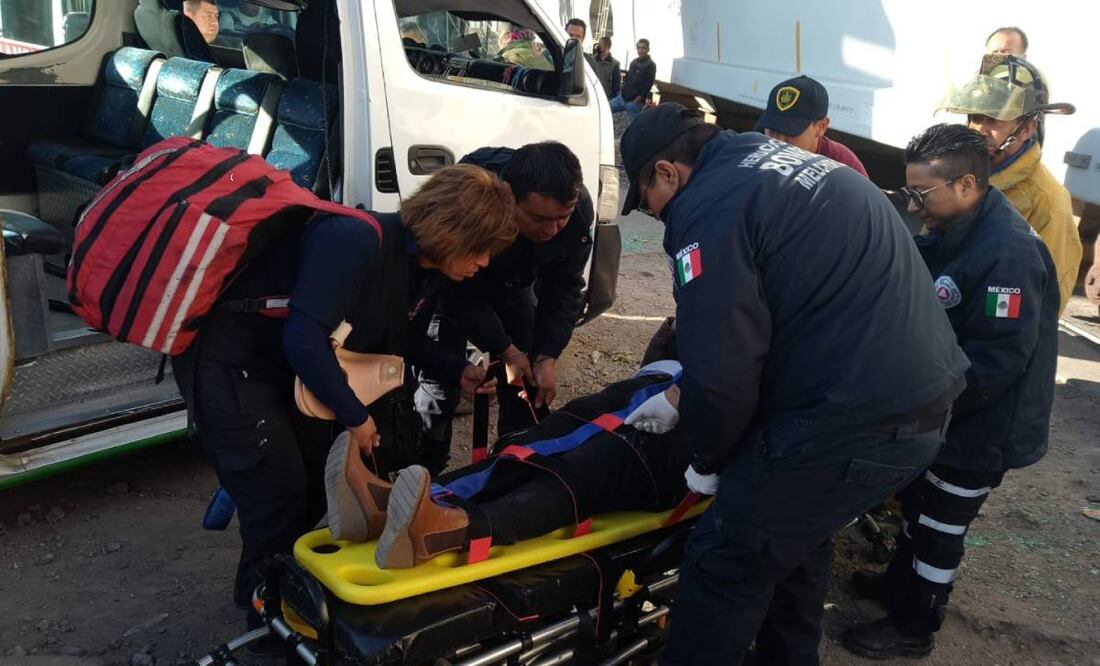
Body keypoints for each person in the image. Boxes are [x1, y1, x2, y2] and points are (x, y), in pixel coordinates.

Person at [617, 103, 970, 664]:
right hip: (921, 404)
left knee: (726, 558)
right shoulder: (784, 162)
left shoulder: (709, 208)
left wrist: (708, 460)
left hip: (852, 423)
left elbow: (725, 374)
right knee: (795, 540)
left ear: (666, 172)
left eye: (651, 203)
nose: (657, 217)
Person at [171, 165, 515, 629]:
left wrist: (458, 371)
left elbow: (399, 334)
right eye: (483, 249)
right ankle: (266, 621)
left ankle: (279, 599)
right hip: (231, 365)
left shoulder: (418, 268)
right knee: (279, 496)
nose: (486, 263)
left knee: (315, 490)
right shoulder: (353, 241)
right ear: (453, 230)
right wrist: (357, 417)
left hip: (285, 371)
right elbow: (303, 340)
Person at [843, 124, 1058, 658]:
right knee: (919, 500)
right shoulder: (956, 225)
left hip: (984, 423)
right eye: (909, 193)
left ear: (965, 184)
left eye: (921, 194)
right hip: (948, 409)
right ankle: (900, 586)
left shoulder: (1007, 254)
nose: (914, 206)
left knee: (941, 523)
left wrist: (923, 407)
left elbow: (998, 359)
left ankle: (916, 624)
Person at [325, 360, 690, 567]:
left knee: (593, 466)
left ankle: (451, 529)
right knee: (535, 443)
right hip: (670, 380)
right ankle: (384, 509)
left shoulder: (724, 239)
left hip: (708, 423)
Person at [414, 142, 594, 475]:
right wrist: (505, 349)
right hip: (453, 283)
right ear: (508, 198)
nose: (552, 230)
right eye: (539, 219)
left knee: (528, 382)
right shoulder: (471, 205)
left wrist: (546, 355)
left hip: (515, 283)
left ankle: (515, 462)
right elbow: (456, 295)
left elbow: (565, 287)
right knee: (441, 382)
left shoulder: (576, 211)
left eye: (561, 219)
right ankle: (426, 471)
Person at [940, 53, 1079, 314]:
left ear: (1027, 129)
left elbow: (1048, 301)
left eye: (993, 120)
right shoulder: (958, 174)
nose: (979, 129)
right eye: (975, 117)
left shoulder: (1048, 202)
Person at [754, 75, 869, 177]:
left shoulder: (844, 166)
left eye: (789, 132)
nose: (777, 141)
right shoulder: (755, 152)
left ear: (821, 127)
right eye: (772, 129)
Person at [609, 39, 656, 121]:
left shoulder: (651, 65)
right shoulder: (633, 62)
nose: (640, 51)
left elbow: (648, 84)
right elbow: (627, 78)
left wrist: (638, 99)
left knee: (634, 126)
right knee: (606, 108)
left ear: (648, 49)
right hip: (622, 98)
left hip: (634, 102)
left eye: (643, 48)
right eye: (638, 48)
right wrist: (622, 89)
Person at [588, 36, 621, 100]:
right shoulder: (591, 60)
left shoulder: (615, 64)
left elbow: (616, 86)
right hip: (591, 95)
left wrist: (611, 100)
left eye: (600, 44)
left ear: (607, 47)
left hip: (605, 98)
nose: (597, 46)